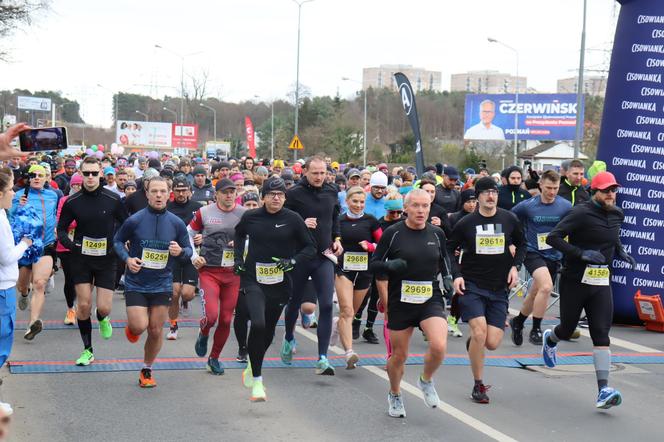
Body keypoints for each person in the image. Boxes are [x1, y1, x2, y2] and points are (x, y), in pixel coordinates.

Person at [542, 171, 632, 409]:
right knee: (568, 327)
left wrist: (620, 250)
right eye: (606, 190)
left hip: (602, 282)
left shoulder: (617, 214)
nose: (611, 194)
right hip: (575, 280)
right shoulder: (580, 213)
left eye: (614, 190)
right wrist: (580, 253)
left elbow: (613, 237)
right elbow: (554, 238)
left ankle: (603, 390)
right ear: (595, 191)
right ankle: (550, 339)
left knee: (601, 334)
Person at [371, 189, 452, 418]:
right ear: (405, 208)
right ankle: (395, 393)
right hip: (401, 300)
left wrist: (448, 277)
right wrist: (390, 266)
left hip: (429, 297)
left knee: (439, 345)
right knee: (399, 356)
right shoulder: (393, 233)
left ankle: (425, 380)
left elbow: (444, 259)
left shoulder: (437, 233)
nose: (420, 210)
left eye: (425, 206)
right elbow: (375, 265)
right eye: (415, 206)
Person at [234, 176, 316, 401]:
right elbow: (239, 234)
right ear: (263, 198)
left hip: (280, 282)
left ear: (285, 197)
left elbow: (310, 247)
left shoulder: (293, 219)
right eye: (271, 194)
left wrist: (293, 261)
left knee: (268, 329)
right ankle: (258, 383)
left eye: (280, 195)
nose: (276, 198)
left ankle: (253, 363)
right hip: (253, 279)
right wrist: (238, 260)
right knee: (257, 323)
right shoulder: (251, 217)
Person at [447, 177, 526, 404]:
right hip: (472, 285)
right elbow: (449, 248)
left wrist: (515, 267)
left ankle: (474, 343)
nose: (491, 196)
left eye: (494, 192)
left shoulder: (509, 219)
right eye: (486, 193)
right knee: (480, 332)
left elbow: (522, 244)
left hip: (499, 287)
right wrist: (457, 275)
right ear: (478, 196)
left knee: (491, 342)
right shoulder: (466, 223)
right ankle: (478, 385)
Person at [114, 176, 192, 387]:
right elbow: (118, 241)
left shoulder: (176, 223)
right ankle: (133, 328)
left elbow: (188, 250)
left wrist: (180, 251)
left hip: (162, 282)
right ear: (147, 194)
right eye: (154, 191)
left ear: (169, 195)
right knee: (140, 326)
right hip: (137, 282)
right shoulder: (135, 220)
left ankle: (147, 369)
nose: (159, 195)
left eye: (163, 192)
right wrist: (128, 259)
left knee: (156, 330)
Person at [57, 156, 128, 365]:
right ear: (81, 173)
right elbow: (61, 229)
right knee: (84, 305)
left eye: (94, 173)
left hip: (107, 259)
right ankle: (87, 350)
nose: (90, 177)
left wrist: (119, 243)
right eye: (86, 173)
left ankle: (103, 317)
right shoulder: (73, 201)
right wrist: (72, 246)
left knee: (104, 308)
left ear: (101, 174)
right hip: (81, 260)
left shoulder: (113, 199)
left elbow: (127, 225)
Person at [281, 156, 342, 375]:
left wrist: (337, 239)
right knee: (294, 302)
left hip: (324, 256)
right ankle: (288, 337)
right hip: (300, 256)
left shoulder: (332, 191)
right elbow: (282, 220)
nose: (319, 177)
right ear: (305, 171)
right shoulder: (294, 194)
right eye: (314, 172)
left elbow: (335, 218)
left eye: (322, 173)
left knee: (326, 305)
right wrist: (300, 222)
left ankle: (322, 358)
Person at [189, 179, 246, 375]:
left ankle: (214, 358)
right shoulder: (204, 213)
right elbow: (187, 234)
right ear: (217, 194)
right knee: (212, 316)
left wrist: (241, 245)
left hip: (232, 273)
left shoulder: (243, 213)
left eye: (232, 192)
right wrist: (194, 256)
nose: (229, 195)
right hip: (209, 271)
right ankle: (203, 332)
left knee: (226, 320)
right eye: (225, 192)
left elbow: (252, 238)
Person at [508, 170, 571, 346]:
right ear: (540, 185)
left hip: (554, 254)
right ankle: (536, 329)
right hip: (532, 251)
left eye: (556, 188)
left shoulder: (565, 206)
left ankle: (518, 322)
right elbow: (508, 220)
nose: (552, 192)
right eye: (549, 188)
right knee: (546, 287)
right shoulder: (527, 206)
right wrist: (511, 243)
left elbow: (574, 226)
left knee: (536, 292)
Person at [332, 187, 382, 368]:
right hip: (343, 270)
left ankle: (337, 324)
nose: (358, 205)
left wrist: (370, 246)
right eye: (355, 201)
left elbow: (382, 244)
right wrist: (335, 245)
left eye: (362, 202)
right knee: (347, 310)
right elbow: (331, 241)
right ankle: (349, 353)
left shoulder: (371, 221)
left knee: (351, 312)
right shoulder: (338, 221)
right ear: (347, 202)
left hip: (364, 271)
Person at [11, 164, 59, 340]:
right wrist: (17, 207)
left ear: (47, 178)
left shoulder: (53, 195)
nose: (37, 178)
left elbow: (57, 215)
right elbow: (10, 219)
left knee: (39, 283)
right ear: (28, 178)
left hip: (45, 245)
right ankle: (24, 294)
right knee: (23, 285)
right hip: (25, 245)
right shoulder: (19, 195)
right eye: (33, 175)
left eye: (40, 175)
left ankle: (32, 323)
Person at [0, 171, 33, 414]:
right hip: (3, 290)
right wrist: (25, 244)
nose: (14, 192)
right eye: (11, 188)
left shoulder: (3, 214)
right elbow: (7, 256)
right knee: (2, 345)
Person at [165, 176, 201, 340]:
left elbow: (206, 230)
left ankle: (185, 301)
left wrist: (202, 237)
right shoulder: (167, 207)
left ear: (189, 191)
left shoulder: (198, 208)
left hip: (190, 255)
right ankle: (173, 326)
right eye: (178, 190)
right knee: (174, 294)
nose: (181, 193)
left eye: (184, 190)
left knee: (186, 294)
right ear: (173, 191)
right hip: (171, 256)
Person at [55, 173, 83, 325]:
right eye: (75, 185)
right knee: (70, 279)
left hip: (84, 246)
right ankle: (71, 308)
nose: (78, 187)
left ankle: (82, 305)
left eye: (80, 184)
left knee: (84, 279)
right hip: (65, 245)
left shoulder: (88, 200)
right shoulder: (64, 200)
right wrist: (77, 222)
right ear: (71, 185)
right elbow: (61, 222)